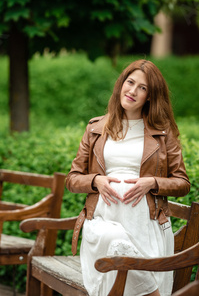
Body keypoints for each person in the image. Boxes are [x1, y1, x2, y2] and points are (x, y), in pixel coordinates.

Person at [66, 59, 191, 296]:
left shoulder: (163, 133)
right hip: (103, 221)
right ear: (121, 84)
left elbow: (182, 183)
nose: (132, 91)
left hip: (146, 226)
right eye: (130, 82)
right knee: (115, 239)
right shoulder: (95, 128)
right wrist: (96, 181)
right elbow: (72, 178)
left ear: (150, 96)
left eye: (142, 88)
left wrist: (152, 183)